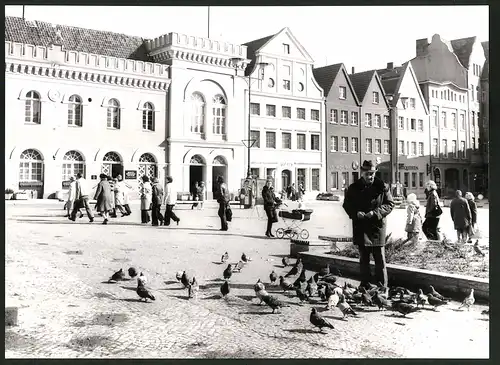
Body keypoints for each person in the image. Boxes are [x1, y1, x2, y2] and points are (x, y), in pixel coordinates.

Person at [342, 160, 395, 289]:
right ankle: (365, 285)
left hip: (377, 228)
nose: (370, 176)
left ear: (375, 173)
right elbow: (347, 205)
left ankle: (382, 287)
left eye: (372, 173)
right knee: (363, 259)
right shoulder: (354, 188)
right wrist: (356, 213)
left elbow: (390, 204)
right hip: (361, 228)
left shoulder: (382, 187)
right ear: (362, 173)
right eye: (367, 174)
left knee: (380, 260)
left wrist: (375, 213)